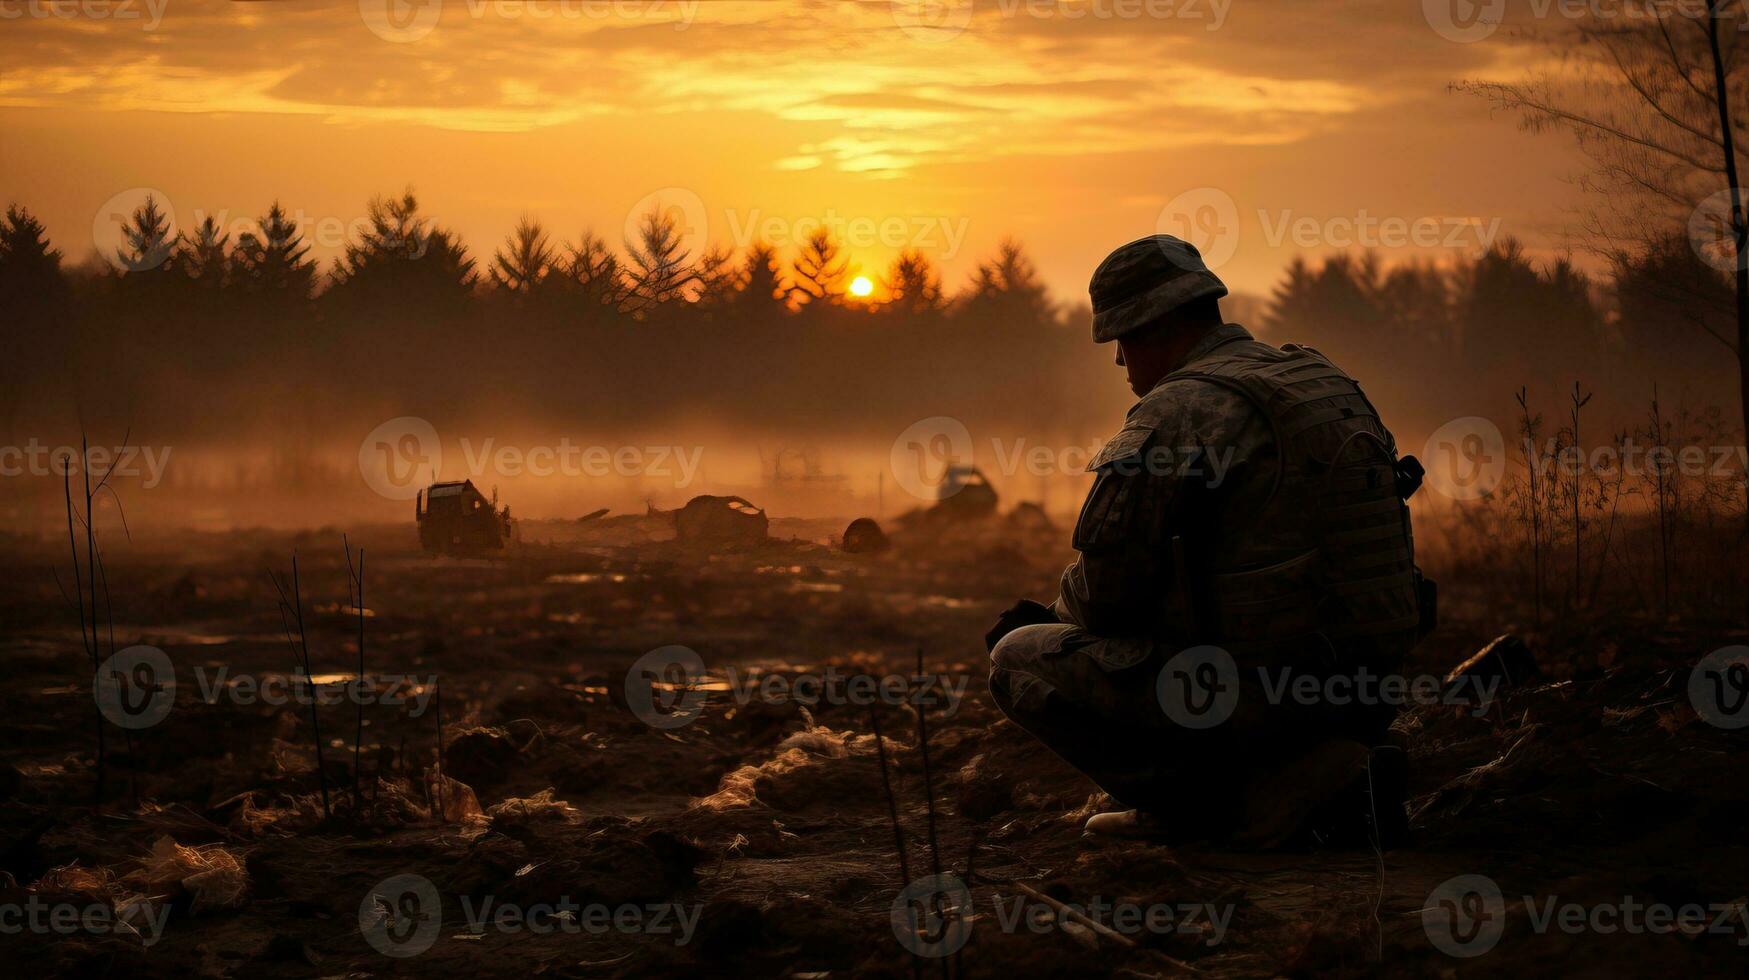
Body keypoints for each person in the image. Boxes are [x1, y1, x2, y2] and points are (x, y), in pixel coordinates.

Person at [985, 234, 1432, 847]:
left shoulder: (1180, 409)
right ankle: (1335, 763)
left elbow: (1107, 597)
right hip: (1366, 686)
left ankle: (1225, 809)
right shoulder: (1319, 378)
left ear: (1157, 325)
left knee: (1016, 656)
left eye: (1121, 339)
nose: (1119, 362)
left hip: (1261, 698)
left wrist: (1052, 617)